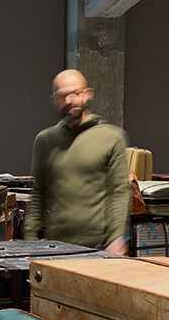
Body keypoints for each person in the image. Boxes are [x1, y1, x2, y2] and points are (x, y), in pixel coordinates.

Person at [23, 69, 132, 254]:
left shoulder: (112, 137)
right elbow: (38, 194)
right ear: (54, 100)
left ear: (88, 94)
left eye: (75, 93)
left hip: (99, 248)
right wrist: (29, 240)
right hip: (55, 248)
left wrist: (117, 238)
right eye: (62, 96)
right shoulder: (45, 141)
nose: (69, 101)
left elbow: (119, 193)